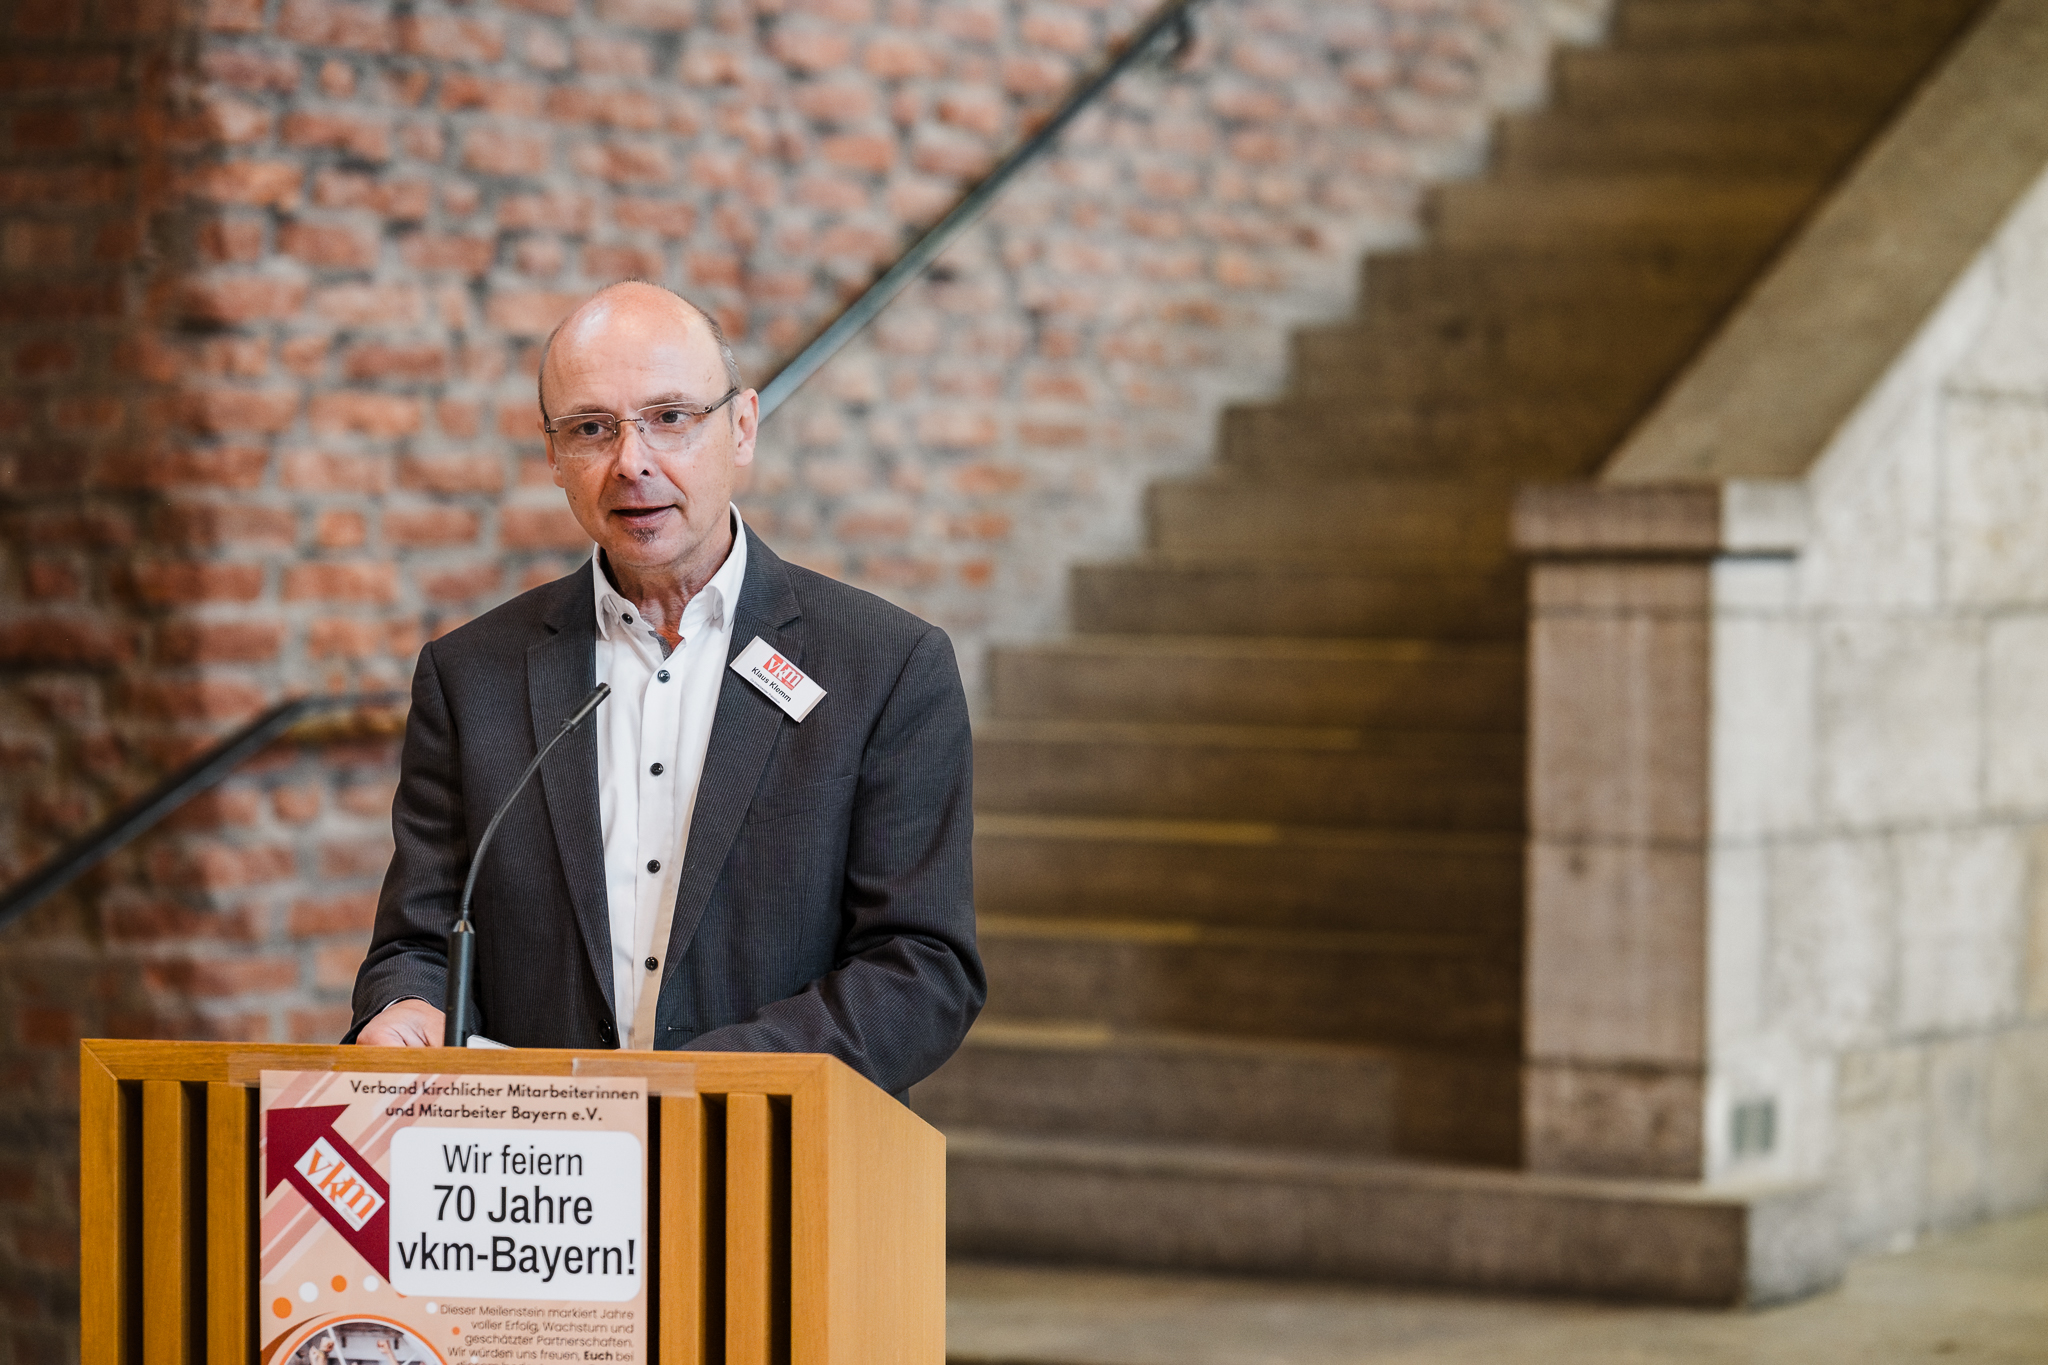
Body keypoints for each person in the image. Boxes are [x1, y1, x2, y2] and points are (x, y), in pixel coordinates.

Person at [347, 281, 983, 1095]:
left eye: (671, 418)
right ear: (552, 455)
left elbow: (921, 969)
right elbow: (420, 940)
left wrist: (692, 1085)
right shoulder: (472, 677)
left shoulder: (887, 666)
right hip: (535, 1190)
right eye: (591, 429)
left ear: (743, 427)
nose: (632, 462)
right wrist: (403, 1007)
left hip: (769, 1170)